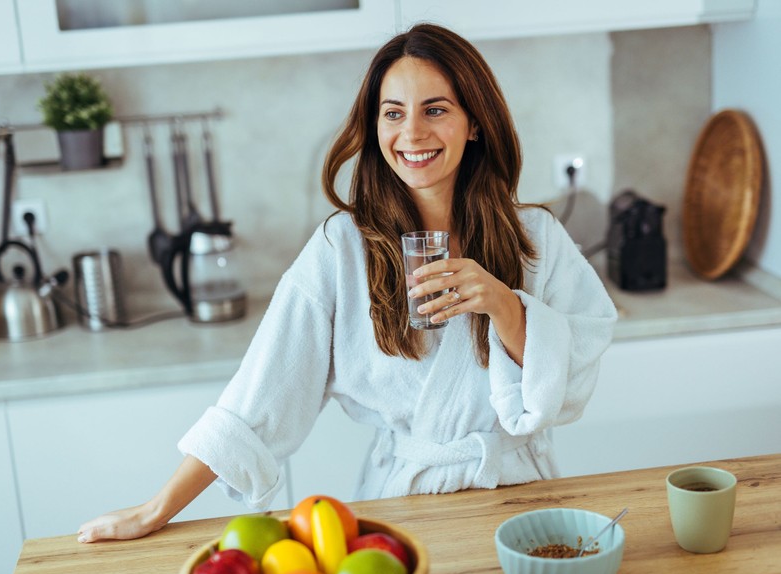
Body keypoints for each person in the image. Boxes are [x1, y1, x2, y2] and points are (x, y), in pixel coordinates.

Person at [78, 23, 616, 543]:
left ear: (474, 122)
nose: (413, 133)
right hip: (402, 511)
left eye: (436, 109)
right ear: (375, 127)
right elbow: (257, 399)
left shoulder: (536, 237)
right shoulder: (344, 249)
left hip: (520, 506)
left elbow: (570, 380)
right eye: (393, 113)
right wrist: (157, 508)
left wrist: (505, 304)